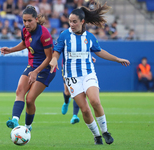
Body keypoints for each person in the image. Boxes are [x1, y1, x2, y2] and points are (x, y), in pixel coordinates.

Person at [49, 2, 130, 145]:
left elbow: (100, 52)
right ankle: (96, 135)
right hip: (72, 77)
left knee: (95, 101)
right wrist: (54, 60)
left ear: (82, 21)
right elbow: (56, 52)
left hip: (88, 73)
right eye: (70, 21)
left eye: (74, 22)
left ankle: (105, 131)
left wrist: (117, 59)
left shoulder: (90, 37)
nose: (71, 24)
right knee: (85, 110)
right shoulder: (64, 35)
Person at [0, 6, 56, 131]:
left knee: (30, 100)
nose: (26, 24)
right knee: (20, 90)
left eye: (29, 20)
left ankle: (27, 127)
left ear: (36, 19)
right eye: (24, 21)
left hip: (46, 69)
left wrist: (36, 72)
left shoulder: (44, 33)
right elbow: (25, 44)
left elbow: (49, 58)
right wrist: (11, 50)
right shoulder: (24, 30)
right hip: (32, 65)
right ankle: (15, 120)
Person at [62, 57, 96, 125]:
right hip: (67, 66)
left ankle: (75, 115)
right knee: (67, 92)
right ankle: (66, 102)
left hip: (80, 66)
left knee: (78, 91)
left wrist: (89, 56)